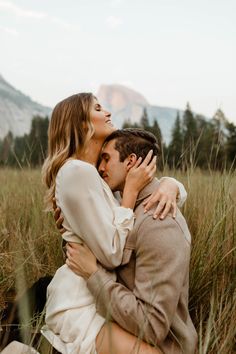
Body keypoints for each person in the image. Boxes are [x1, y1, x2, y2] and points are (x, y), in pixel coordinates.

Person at [41, 93, 187, 354]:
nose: (107, 112)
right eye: (97, 108)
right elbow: (112, 253)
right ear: (81, 123)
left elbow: (113, 217)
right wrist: (130, 193)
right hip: (82, 300)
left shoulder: (95, 176)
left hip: (100, 297)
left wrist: (171, 185)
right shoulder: (79, 172)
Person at [64, 129, 198, 354]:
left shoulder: (159, 223)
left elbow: (152, 325)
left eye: (106, 159)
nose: (100, 168)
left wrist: (93, 275)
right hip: (121, 332)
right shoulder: (122, 201)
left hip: (158, 348)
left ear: (131, 162)